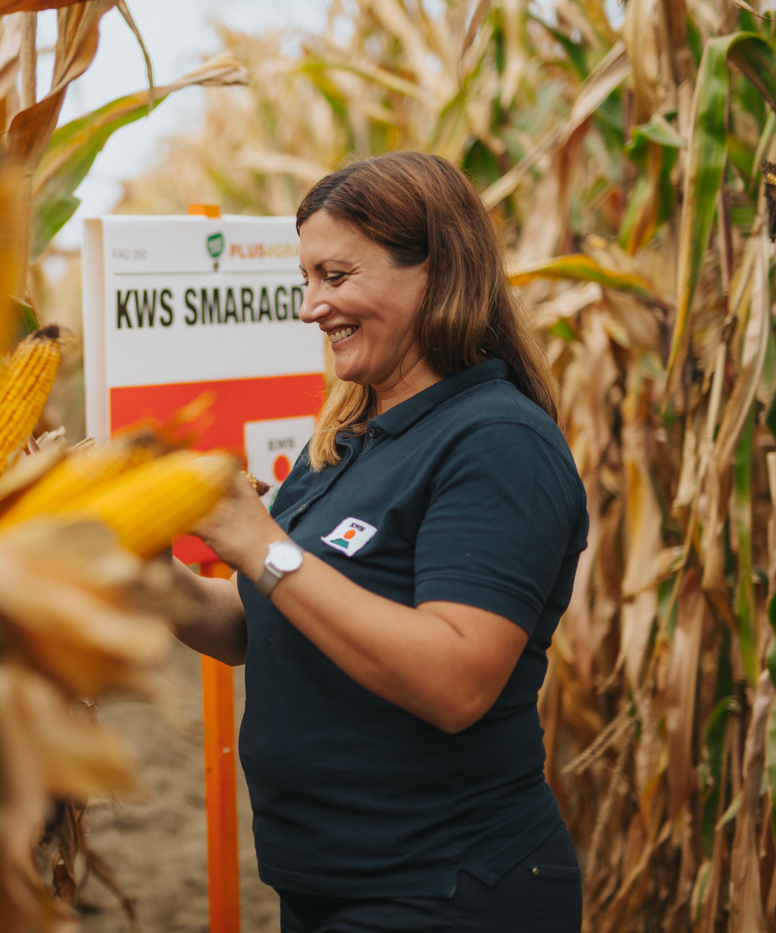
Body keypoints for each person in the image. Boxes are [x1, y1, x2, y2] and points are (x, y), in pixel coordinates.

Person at [174, 151, 588, 933]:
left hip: (446, 888)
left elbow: (456, 678)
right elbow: (255, 621)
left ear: (434, 270)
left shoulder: (497, 442)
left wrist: (259, 540)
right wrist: (134, 578)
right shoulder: (350, 437)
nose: (310, 307)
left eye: (335, 275)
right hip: (328, 885)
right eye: (307, 279)